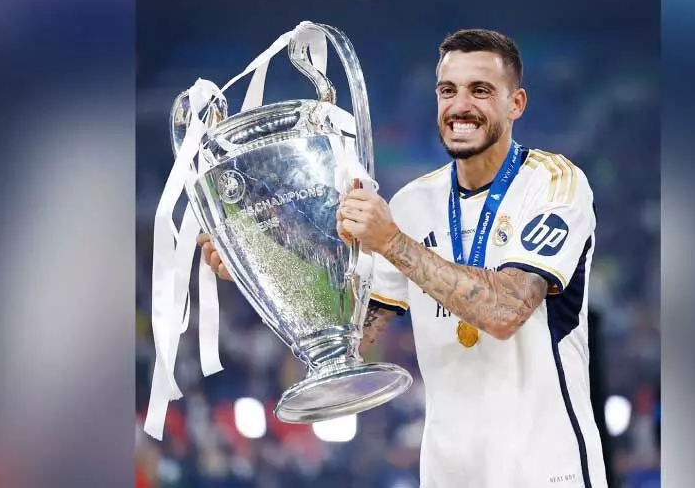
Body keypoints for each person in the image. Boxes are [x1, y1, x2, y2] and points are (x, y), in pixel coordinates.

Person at [198, 28, 607, 488]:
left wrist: (392, 242)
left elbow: (505, 310)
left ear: (516, 104)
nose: (461, 106)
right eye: (448, 90)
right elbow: (352, 338)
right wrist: (265, 266)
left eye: (481, 91)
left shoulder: (554, 182)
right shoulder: (414, 201)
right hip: (447, 475)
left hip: (544, 470)